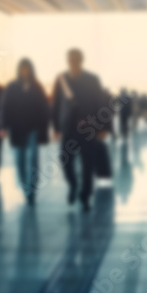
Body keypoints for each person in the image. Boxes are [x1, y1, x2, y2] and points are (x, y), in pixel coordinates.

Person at [51, 48, 110, 211]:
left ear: (81, 60)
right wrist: (56, 127)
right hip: (68, 128)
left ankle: (85, 196)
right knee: (66, 161)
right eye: (70, 59)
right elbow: (56, 105)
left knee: (87, 165)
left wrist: (103, 127)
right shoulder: (61, 80)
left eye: (76, 59)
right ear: (67, 61)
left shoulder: (92, 80)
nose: (73, 62)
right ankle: (73, 185)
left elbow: (102, 103)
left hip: (88, 129)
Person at [0, 59, 50, 204]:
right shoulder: (12, 87)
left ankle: (32, 189)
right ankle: (25, 188)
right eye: (23, 68)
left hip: (33, 128)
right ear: (19, 70)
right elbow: (4, 107)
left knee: (33, 158)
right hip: (17, 129)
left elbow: (44, 108)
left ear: (31, 70)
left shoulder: (37, 87)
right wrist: (3, 126)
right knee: (19, 161)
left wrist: (44, 127)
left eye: (27, 68)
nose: (25, 71)